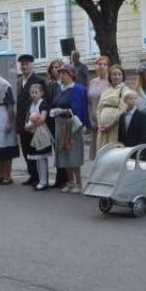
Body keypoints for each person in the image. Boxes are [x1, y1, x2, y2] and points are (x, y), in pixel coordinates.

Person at [51, 64, 89, 193]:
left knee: (74, 153)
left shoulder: (78, 89)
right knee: (64, 153)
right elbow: (56, 102)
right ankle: (70, 182)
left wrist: (62, 110)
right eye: (60, 73)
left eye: (64, 73)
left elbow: (79, 109)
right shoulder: (60, 88)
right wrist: (55, 111)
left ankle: (79, 183)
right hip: (60, 124)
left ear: (70, 75)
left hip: (72, 125)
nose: (61, 75)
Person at [15, 54, 46, 187]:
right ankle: (32, 175)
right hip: (23, 122)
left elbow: (45, 101)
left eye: (27, 64)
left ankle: (40, 177)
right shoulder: (19, 81)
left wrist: (39, 119)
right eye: (22, 64)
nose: (24, 67)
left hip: (35, 122)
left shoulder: (38, 79)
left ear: (33, 65)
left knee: (36, 150)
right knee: (26, 149)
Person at [96, 64, 131, 151]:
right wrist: (99, 124)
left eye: (119, 74)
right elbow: (99, 108)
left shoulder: (125, 90)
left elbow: (123, 109)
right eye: (114, 74)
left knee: (113, 150)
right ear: (110, 76)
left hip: (115, 128)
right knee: (103, 151)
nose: (117, 77)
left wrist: (110, 125)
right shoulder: (106, 91)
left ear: (123, 76)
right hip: (102, 128)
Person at [23, 83, 52, 191]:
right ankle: (41, 180)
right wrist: (26, 125)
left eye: (36, 92)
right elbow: (28, 116)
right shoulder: (31, 104)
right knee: (37, 159)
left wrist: (30, 125)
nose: (34, 94)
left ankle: (44, 182)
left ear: (41, 93)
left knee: (41, 158)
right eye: (32, 92)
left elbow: (42, 119)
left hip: (41, 133)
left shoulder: (43, 104)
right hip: (33, 133)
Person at [44, 59, 67, 189]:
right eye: (53, 67)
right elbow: (46, 103)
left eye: (58, 67)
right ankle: (59, 178)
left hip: (64, 121)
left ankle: (67, 178)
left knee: (65, 149)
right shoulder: (49, 85)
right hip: (52, 122)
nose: (55, 69)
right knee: (57, 150)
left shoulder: (66, 84)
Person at [87, 55, 110, 160]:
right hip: (94, 121)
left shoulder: (111, 82)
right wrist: (91, 119)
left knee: (105, 151)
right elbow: (89, 102)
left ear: (108, 67)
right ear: (96, 66)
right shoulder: (92, 82)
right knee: (96, 152)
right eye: (99, 64)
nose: (101, 66)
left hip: (106, 122)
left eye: (104, 64)